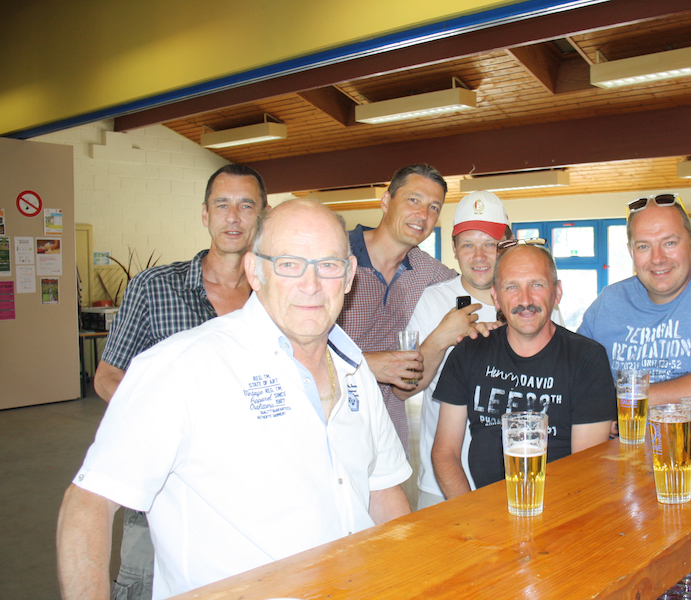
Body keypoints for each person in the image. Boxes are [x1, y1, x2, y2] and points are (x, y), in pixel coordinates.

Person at [56, 199, 412, 600]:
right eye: (289, 264)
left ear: (348, 276)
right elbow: (89, 503)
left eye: (328, 265)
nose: (311, 284)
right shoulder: (182, 367)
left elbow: (382, 492)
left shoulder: (355, 369)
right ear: (254, 271)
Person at [90, 163, 270, 600]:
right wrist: (170, 425)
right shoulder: (154, 287)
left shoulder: (276, 295)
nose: (233, 217)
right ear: (205, 214)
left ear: (262, 216)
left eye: (246, 206)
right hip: (164, 482)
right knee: (146, 585)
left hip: (254, 481)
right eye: (222, 205)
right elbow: (108, 377)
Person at [431, 242, 616, 497]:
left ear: (557, 292)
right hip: (483, 511)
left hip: (562, 510)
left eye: (537, 284)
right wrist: (471, 514)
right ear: (496, 297)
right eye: (512, 287)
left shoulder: (587, 359)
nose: (525, 300)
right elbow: (445, 453)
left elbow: (586, 469)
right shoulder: (469, 352)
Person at [577, 194, 691, 405]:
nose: (658, 258)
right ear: (631, 252)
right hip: (623, 427)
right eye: (643, 246)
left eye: (670, 243)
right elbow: (572, 376)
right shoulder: (608, 302)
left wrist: (622, 400)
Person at [337, 164, 457, 451]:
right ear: (386, 201)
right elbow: (290, 349)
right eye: (413, 200)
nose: (423, 215)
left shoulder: (424, 267)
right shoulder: (335, 256)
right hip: (330, 429)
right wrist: (364, 364)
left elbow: (471, 283)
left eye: (434, 207)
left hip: (388, 436)